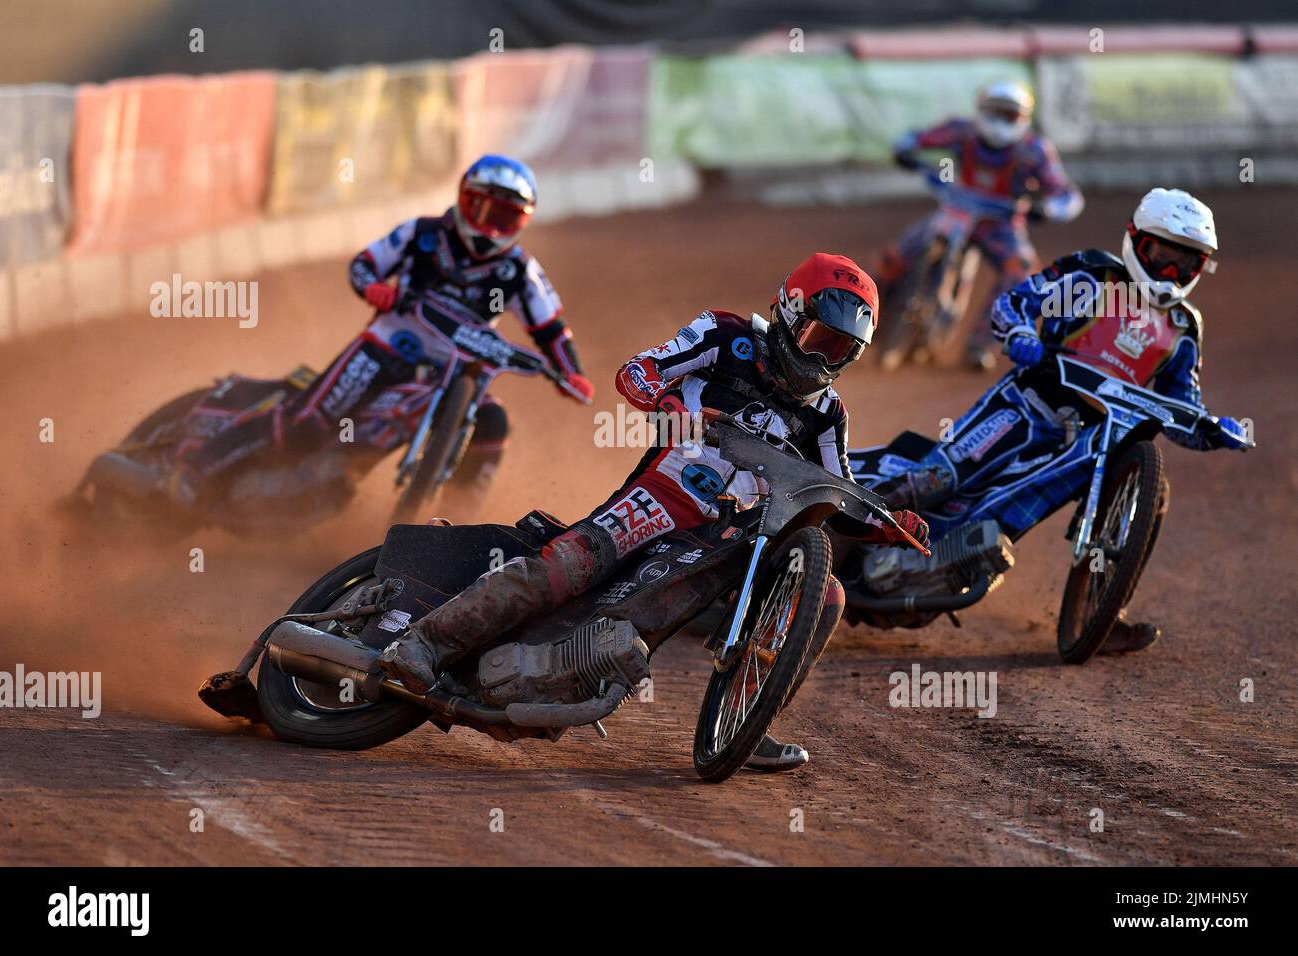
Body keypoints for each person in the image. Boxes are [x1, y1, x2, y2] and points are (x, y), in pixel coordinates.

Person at [381, 253, 930, 771]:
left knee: (827, 593)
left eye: (840, 350)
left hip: (740, 535)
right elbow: (638, 371)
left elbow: (841, 492)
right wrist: (669, 405)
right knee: (569, 567)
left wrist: (890, 525)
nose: (822, 359)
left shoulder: (828, 415)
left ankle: (749, 717)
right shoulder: (725, 334)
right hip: (669, 491)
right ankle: (424, 642)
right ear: (790, 309)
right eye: (819, 338)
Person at [872, 187, 1251, 651]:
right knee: (937, 479)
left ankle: (1104, 610)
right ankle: (843, 527)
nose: (1171, 273)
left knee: (1145, 496)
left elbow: (1182, 410)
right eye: (1162, 256)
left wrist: (1215, 429)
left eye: (1186, 263)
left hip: (1091, 441)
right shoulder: (1092, 274)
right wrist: (1016, 335)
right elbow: (1014, 303)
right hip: (1028, 404)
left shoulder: (1184, 330)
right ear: (1136, 240)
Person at [169, 154, 592, 505]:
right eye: (480, 208)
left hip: (454, 371)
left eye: (504, 217)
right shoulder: (421, 234)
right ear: (462, 198)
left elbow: (551, 328)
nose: (487, 226)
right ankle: (197, 469)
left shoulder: (519, 270)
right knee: (309, 421)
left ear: (522, 221)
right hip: (387, 346)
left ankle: (457, 526)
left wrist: (570, 373)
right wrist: (375, 290)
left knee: (494, 420)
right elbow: (364, 264)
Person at [878, 80, 1084, 370]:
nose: (1000, 122)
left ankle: (981, 343)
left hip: (1000, 224)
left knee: (1020, 272)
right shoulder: (962, 132)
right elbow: (916, 138)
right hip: (955, 211)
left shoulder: (1034, 151)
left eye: (1009, 115)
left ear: (1023, 118)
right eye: (995, 112)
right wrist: (906, 150)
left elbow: (1066, 195)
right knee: (897, 255)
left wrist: (1049, 208)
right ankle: (871, 316)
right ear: (981, 110)